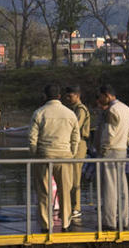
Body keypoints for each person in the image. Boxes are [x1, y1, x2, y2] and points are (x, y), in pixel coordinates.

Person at [29, 84, 79, 231]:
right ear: (59, 96)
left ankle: (46, 224)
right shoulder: (70, 113)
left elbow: (32, 138)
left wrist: (35, 153)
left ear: (45, 96)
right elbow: (76, 136)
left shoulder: (39, 113)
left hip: (44, 155)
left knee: (43, 191)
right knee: (65, 191)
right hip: (64, 156)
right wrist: (72, 152)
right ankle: (65, 223)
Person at [96, 84, 129, 230]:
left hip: (111, 151)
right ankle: (124, 220)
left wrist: (103, 149)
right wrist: (125, 142)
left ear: (107, 95)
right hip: (122, 149)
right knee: (122, 187)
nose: (99, 99)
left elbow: (108, 133)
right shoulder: (126, 108)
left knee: (109, 188)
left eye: (100, 96)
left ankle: (109, 221)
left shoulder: (112, 110)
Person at [63, 85, 90, 221]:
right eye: (67, 96)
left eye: (70, 96)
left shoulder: (81, 109)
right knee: (70, 176)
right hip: (72, 144)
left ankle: (76, 207)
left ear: (77, 95)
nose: (68, 98)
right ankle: (72, 204)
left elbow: (75, 127)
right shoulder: (72, 110)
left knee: (75, 177)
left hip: (79, 144)